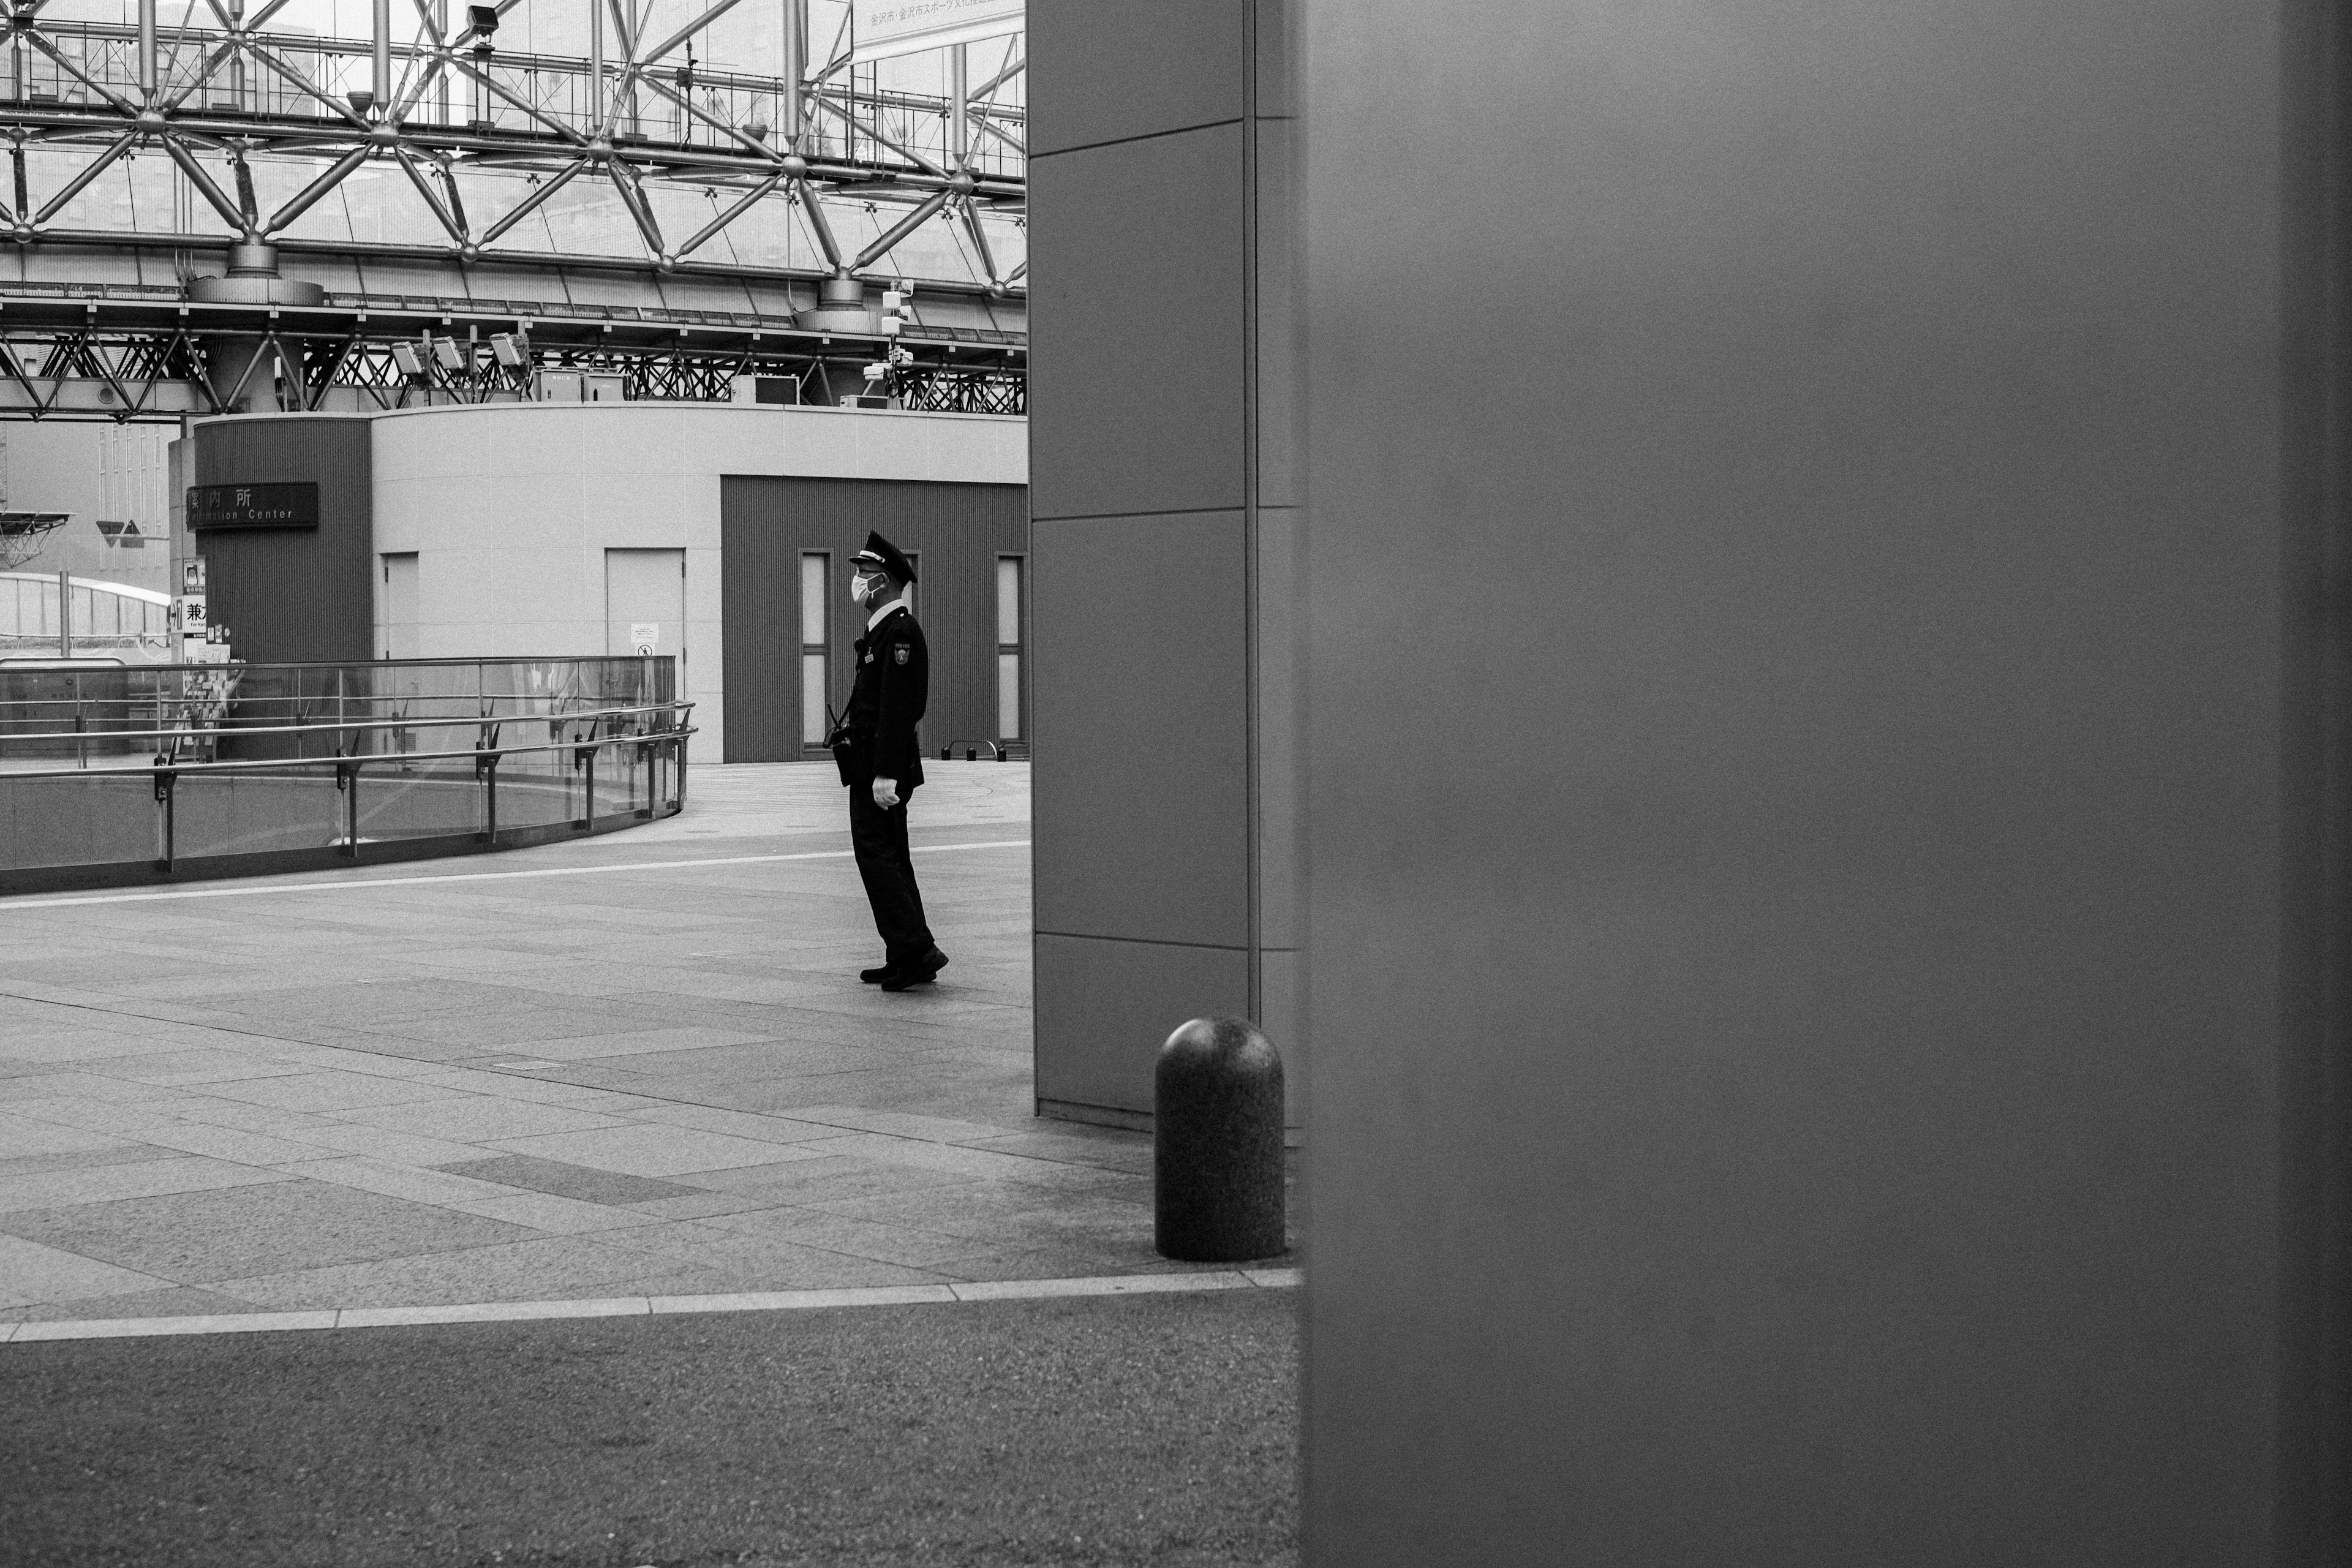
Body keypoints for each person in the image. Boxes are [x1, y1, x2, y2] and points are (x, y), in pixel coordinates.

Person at [835, 531, 948, 991]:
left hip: (881, 770)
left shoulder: (900, 632)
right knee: (891, 858)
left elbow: (900, 709)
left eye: (862, 573)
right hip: (870, 765)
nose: (856, 581)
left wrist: (885, 773)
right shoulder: (881, 630)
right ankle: (904, 951)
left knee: (878, 857)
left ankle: (918, 950)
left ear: (881, 580)